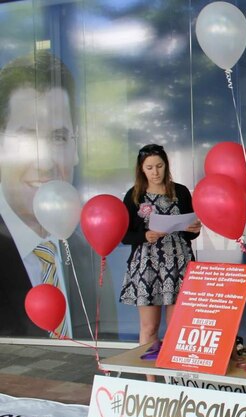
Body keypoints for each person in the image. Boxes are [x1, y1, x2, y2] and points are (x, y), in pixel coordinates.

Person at [0, 50, 116, 339]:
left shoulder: (88, 253)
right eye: (26, 137)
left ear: (75, 146)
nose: (45, 162)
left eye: (58, 137)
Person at [119, 144, 201, 374]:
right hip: (147, 266)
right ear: (141, 170)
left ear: (166, 166)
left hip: (178, 263)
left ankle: (175, 377)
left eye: (159, 166)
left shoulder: (181, 191)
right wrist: (144, 235)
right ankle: (151, 382)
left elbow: (189, 232)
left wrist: (195, 228)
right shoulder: (134, 195)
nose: (155, 172)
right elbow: (124, 234)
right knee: (150, 326)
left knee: (177, 327)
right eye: (149, 168)